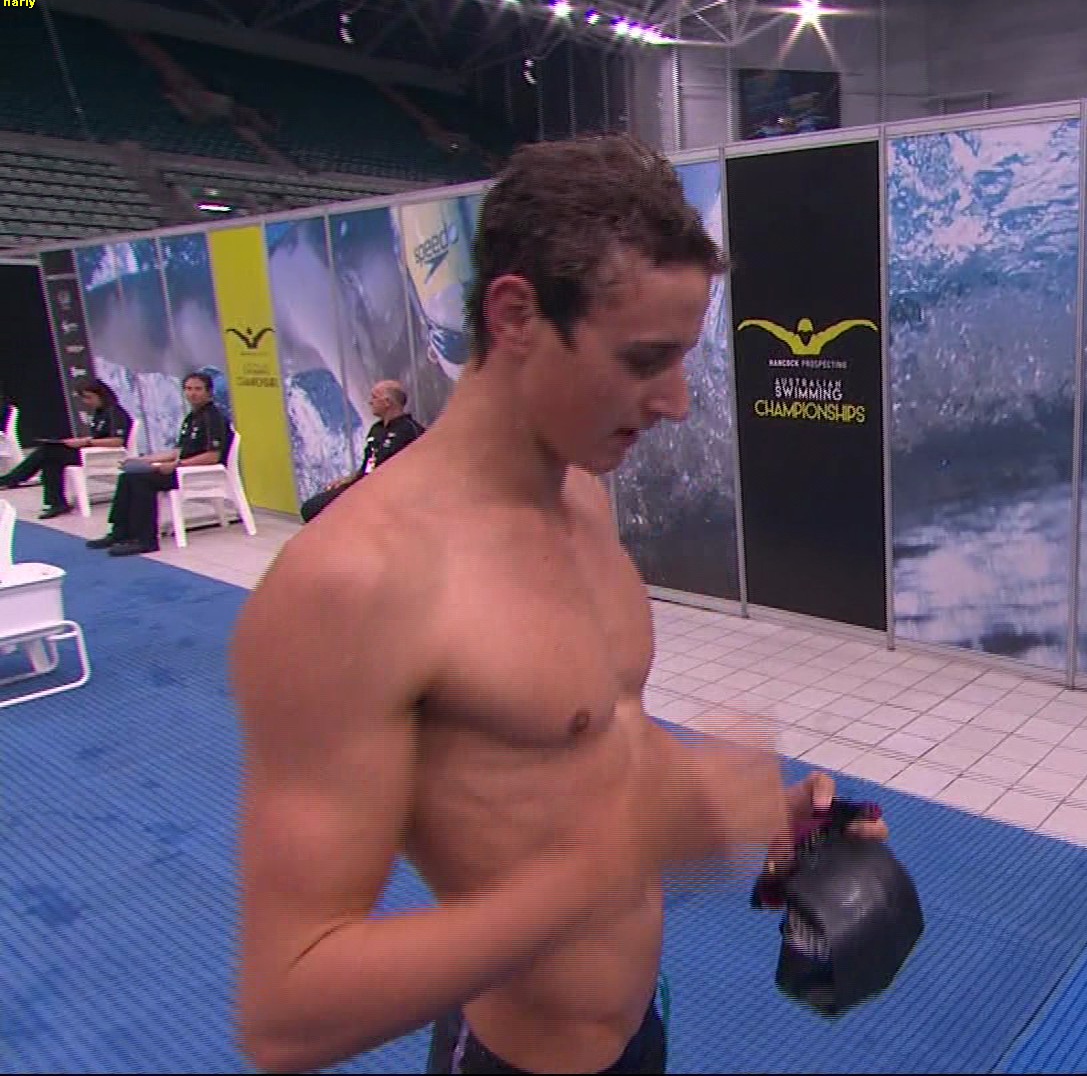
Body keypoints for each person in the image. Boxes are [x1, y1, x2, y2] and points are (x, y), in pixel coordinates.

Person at [227, 134, 887, 1076]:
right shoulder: (353, 585)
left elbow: (595, 736)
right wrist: (621, 856)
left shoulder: (582, 496)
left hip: (638, 1022)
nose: (678, 402)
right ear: (517, 315)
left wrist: (755, 815)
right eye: (645, 359)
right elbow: (286, 1011)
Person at [85, 371, 232, 557]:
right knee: (128, 476)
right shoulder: (192, 417)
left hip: (199, 472)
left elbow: (212, 456)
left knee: (142, 481)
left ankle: (146, 540)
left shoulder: (213, 417)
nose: (192, 393)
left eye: (198, 389)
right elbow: (177, 451)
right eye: (188, 389)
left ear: (209, 392)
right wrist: (144, 460)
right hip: (182, 467)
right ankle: (120, 532)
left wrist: (178, 465)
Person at [1, 377, 134, 518]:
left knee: (49, 452)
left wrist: (87, 442)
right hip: (92, 451)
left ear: (101, 395)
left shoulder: (115, 413)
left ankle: (13, 479)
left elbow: (117, 441)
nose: (86, 402)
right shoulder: (100, 412)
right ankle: (55, 503)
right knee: (50, 454)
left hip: (106, 456)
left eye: (89, 397)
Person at [299, 379, 425, 523]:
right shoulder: (376, 429)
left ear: (387, 402)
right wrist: (350, 479)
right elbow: (369, 463)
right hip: (363, 485)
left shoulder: (411, 431)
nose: (370, 402)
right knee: (311, 508)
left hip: (388, 492)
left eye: (374, 397)